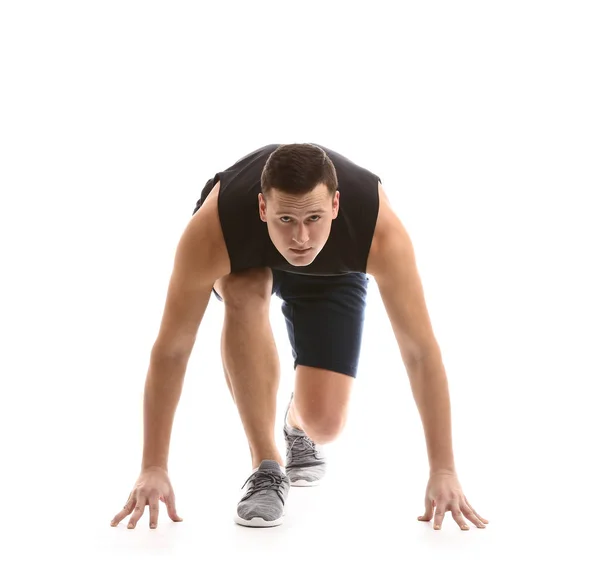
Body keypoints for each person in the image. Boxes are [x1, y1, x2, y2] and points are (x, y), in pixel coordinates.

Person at [110, 142, 489, 531]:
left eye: (314, 218)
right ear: (263, 209)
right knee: (243, 291)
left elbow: (420, 352)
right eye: (286, 219)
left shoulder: (377, 231)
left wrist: (443, 469)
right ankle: (267, 466)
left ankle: (295, 424)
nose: (302, 238)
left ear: (336, 205)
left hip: (332, 274)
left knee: (325, 423)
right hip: (249, 262)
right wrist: (153, 465)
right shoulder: (215, 229)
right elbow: (172, 349)